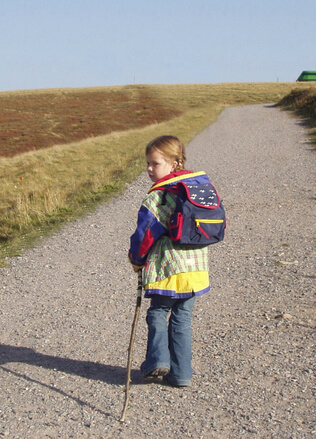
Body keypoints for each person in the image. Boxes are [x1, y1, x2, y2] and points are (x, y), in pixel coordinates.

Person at [128, 135, 210, 387]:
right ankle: (182, 374)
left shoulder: (160, 196)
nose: (149, 169)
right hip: (196, 270)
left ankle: (157, 361)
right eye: (148, 164)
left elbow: (144, 235)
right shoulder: (197, 188)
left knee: (158, 312)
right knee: (182, 319)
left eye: (155, 164)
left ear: (174, 163)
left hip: (168, 270)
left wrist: (136, 261)